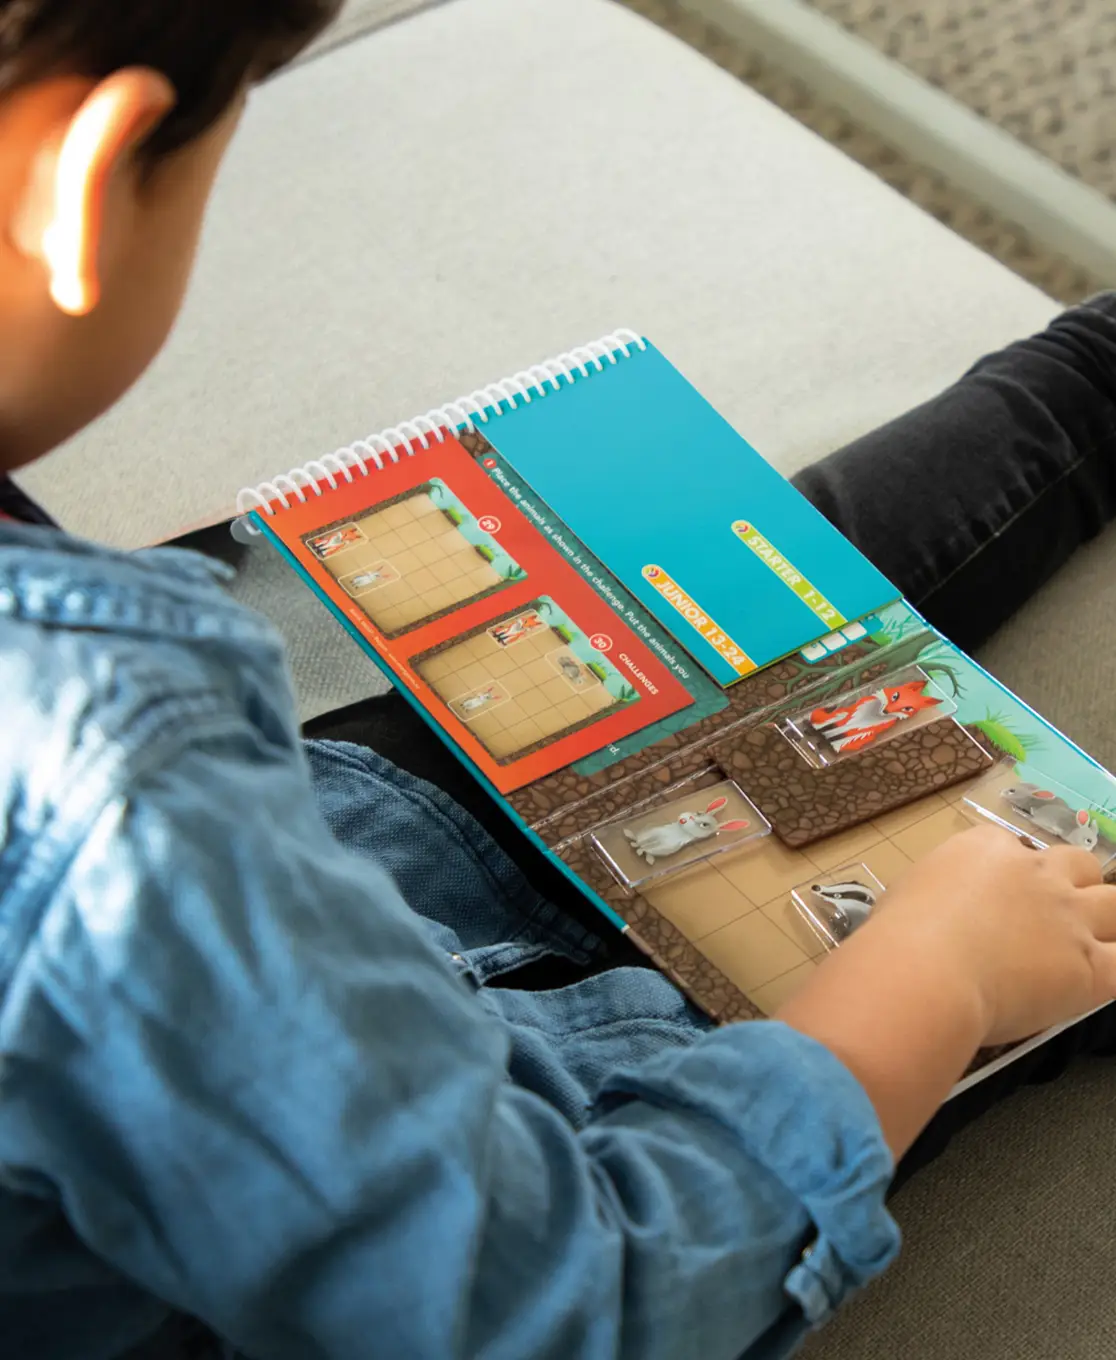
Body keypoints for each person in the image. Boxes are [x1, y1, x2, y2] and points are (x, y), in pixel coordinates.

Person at [3, 4, 1116, 1357]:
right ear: (80, 177)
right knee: (1052, 904)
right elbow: (564, 1308)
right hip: (581, 1159)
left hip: (350, 864)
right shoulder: (113, 771)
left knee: (766, 607)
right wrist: (941, 976)